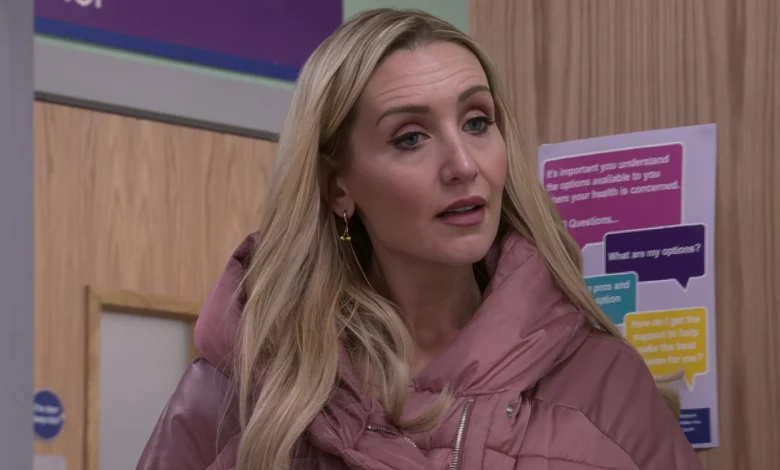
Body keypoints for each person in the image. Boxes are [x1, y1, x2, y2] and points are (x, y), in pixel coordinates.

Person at [138, 8, 703, 470]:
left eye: (477, 122)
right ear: (339, 187)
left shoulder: (606, 384)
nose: (463, 164)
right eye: (410, 137)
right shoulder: (239, 394)